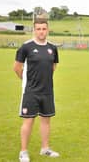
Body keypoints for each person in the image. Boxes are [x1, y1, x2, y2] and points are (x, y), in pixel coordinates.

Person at [13, 18, 60, 162]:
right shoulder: (26, 47)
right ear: (34, 30)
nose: (41, 31)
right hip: (31, 92)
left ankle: (45, 149)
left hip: (47, 91)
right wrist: (27, 81)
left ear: (48, 30)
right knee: (28, 121)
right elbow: (17, 67)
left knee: (46, 121)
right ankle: (23, 152)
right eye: (38, 29)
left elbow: (53, 67)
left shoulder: (53, 47)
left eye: (44, 29)